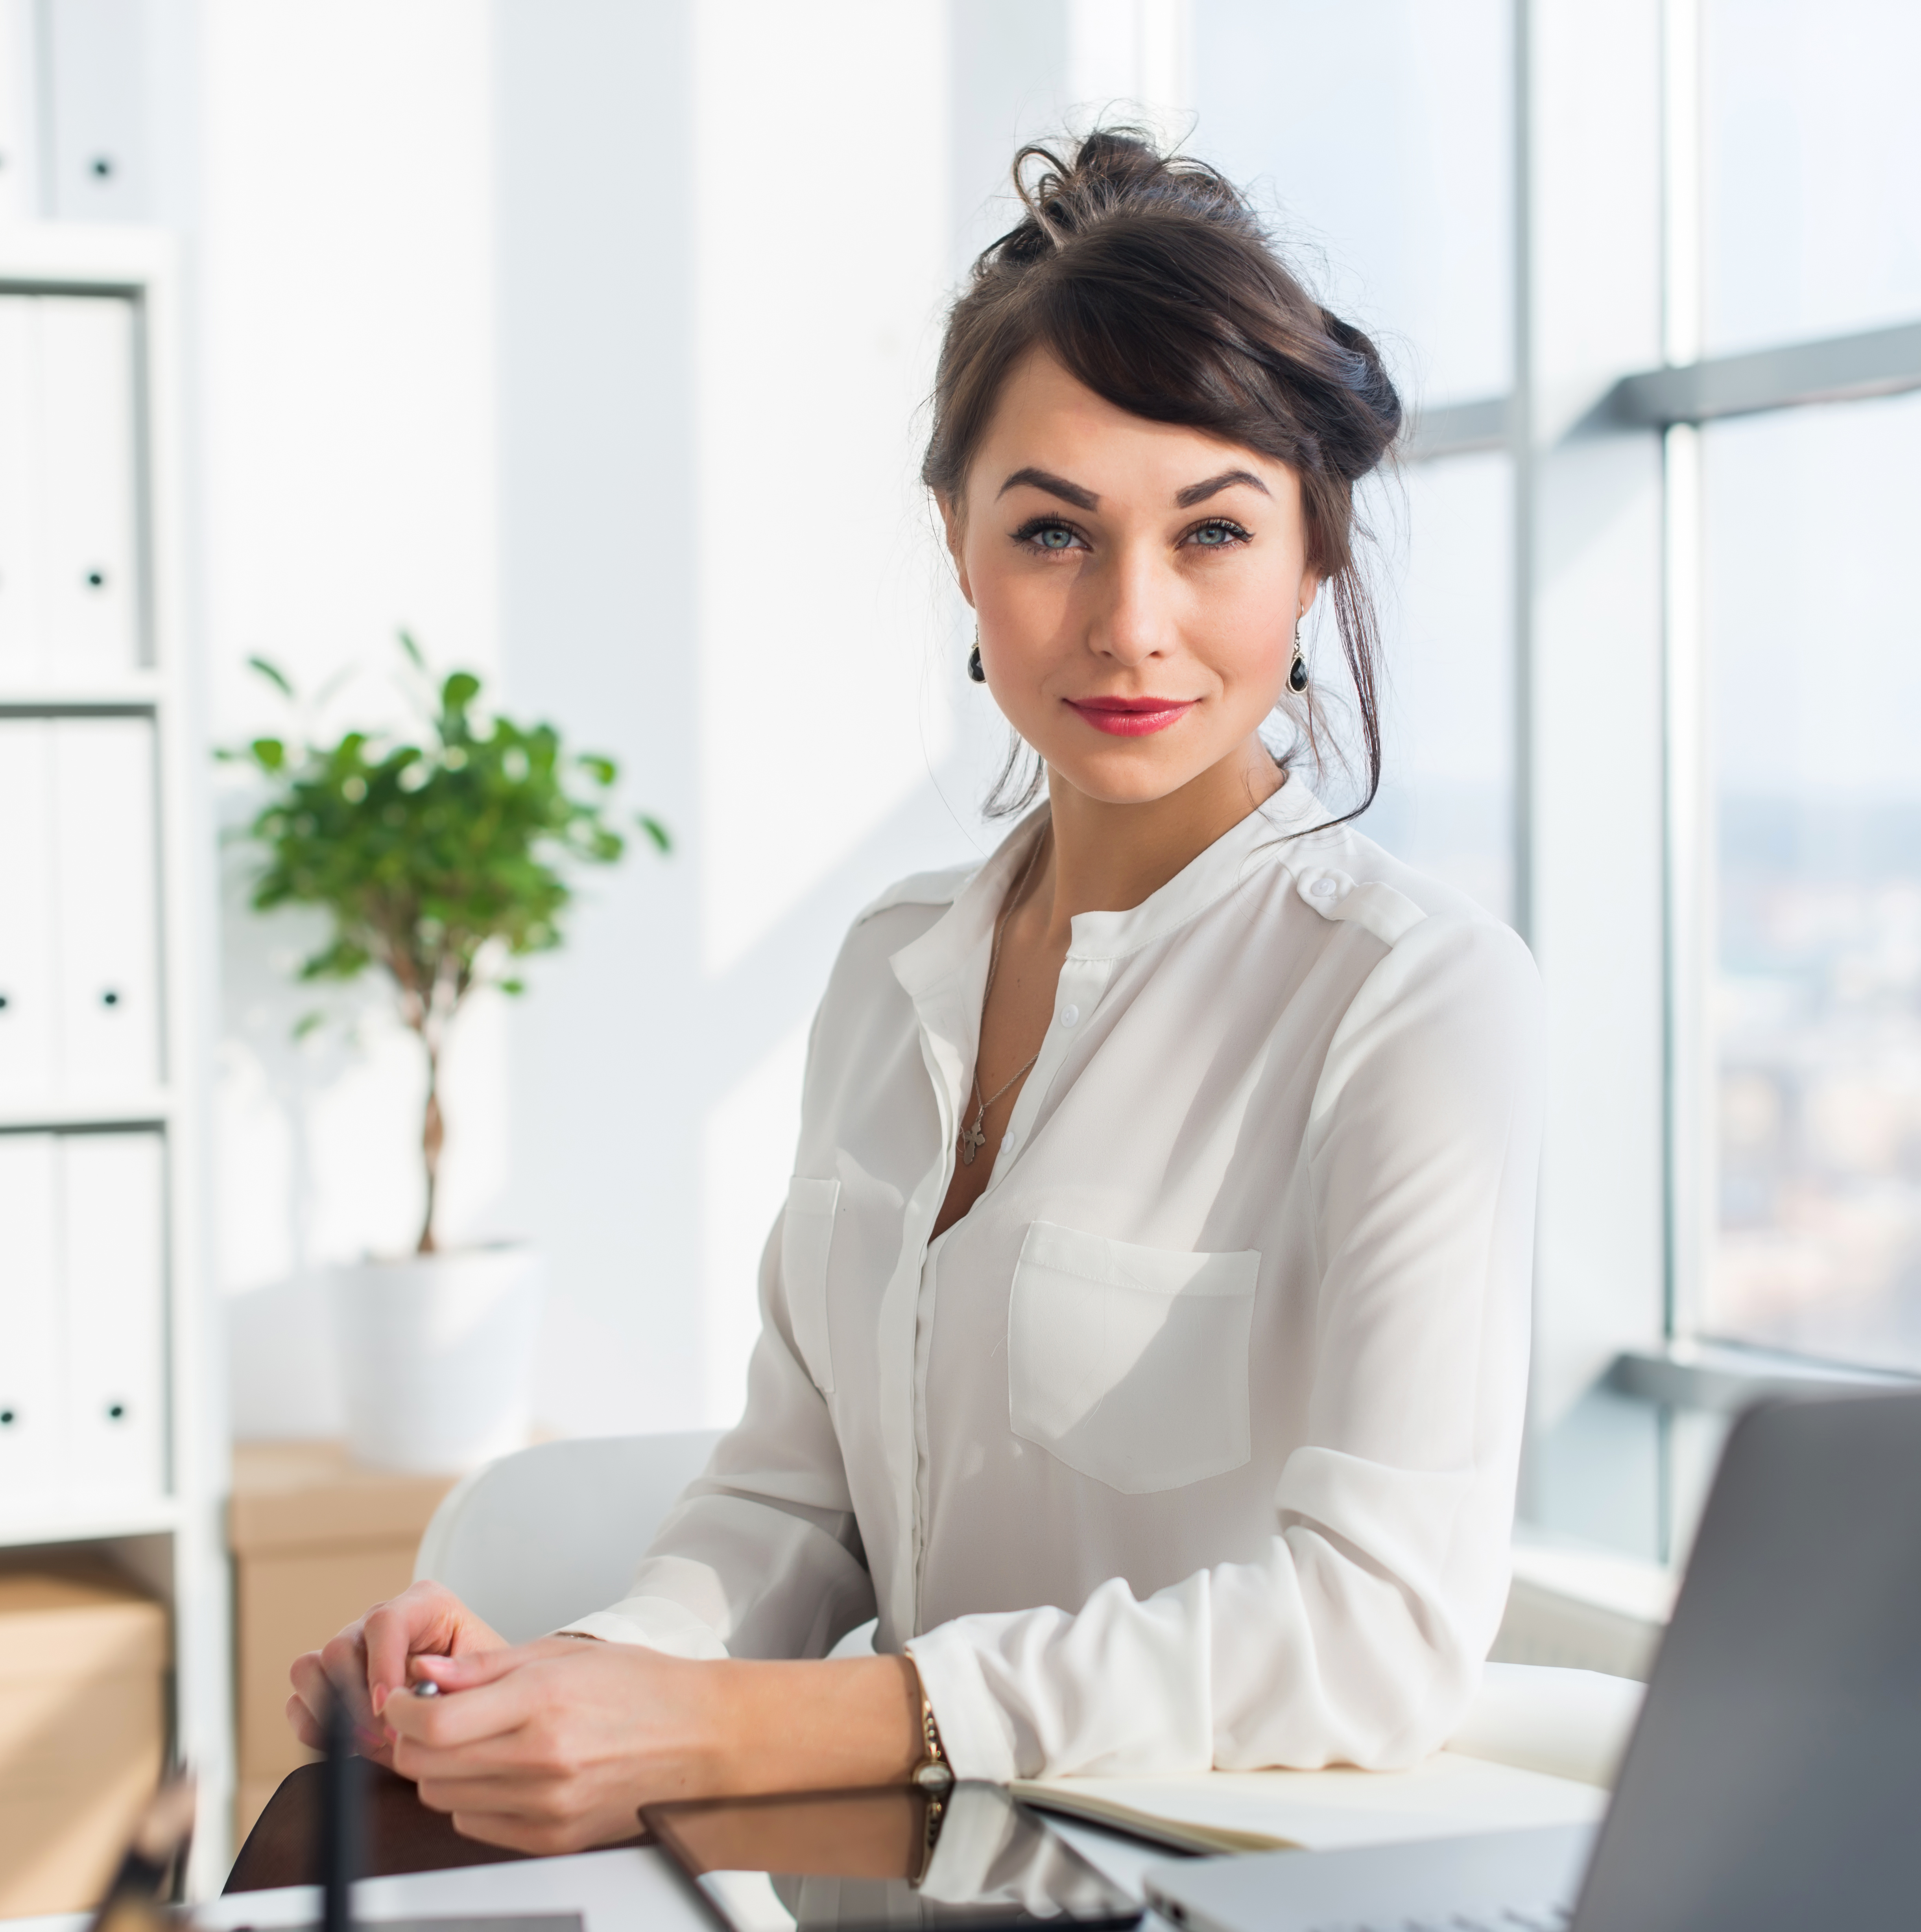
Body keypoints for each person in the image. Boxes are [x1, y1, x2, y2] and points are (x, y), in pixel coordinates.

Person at [289, 128, 1544, 1856]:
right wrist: (572, 1678)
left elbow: (1376, 1633)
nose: (1130, 624)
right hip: (900, 1846)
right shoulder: (895, 966)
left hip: (1175, 1873)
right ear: (959, 543)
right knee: (328, 1826)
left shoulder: (1413, 999)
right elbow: (796, 1501)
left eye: (1211, 533)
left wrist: (775, 1723)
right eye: (1053, 533)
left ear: (1313, 556)